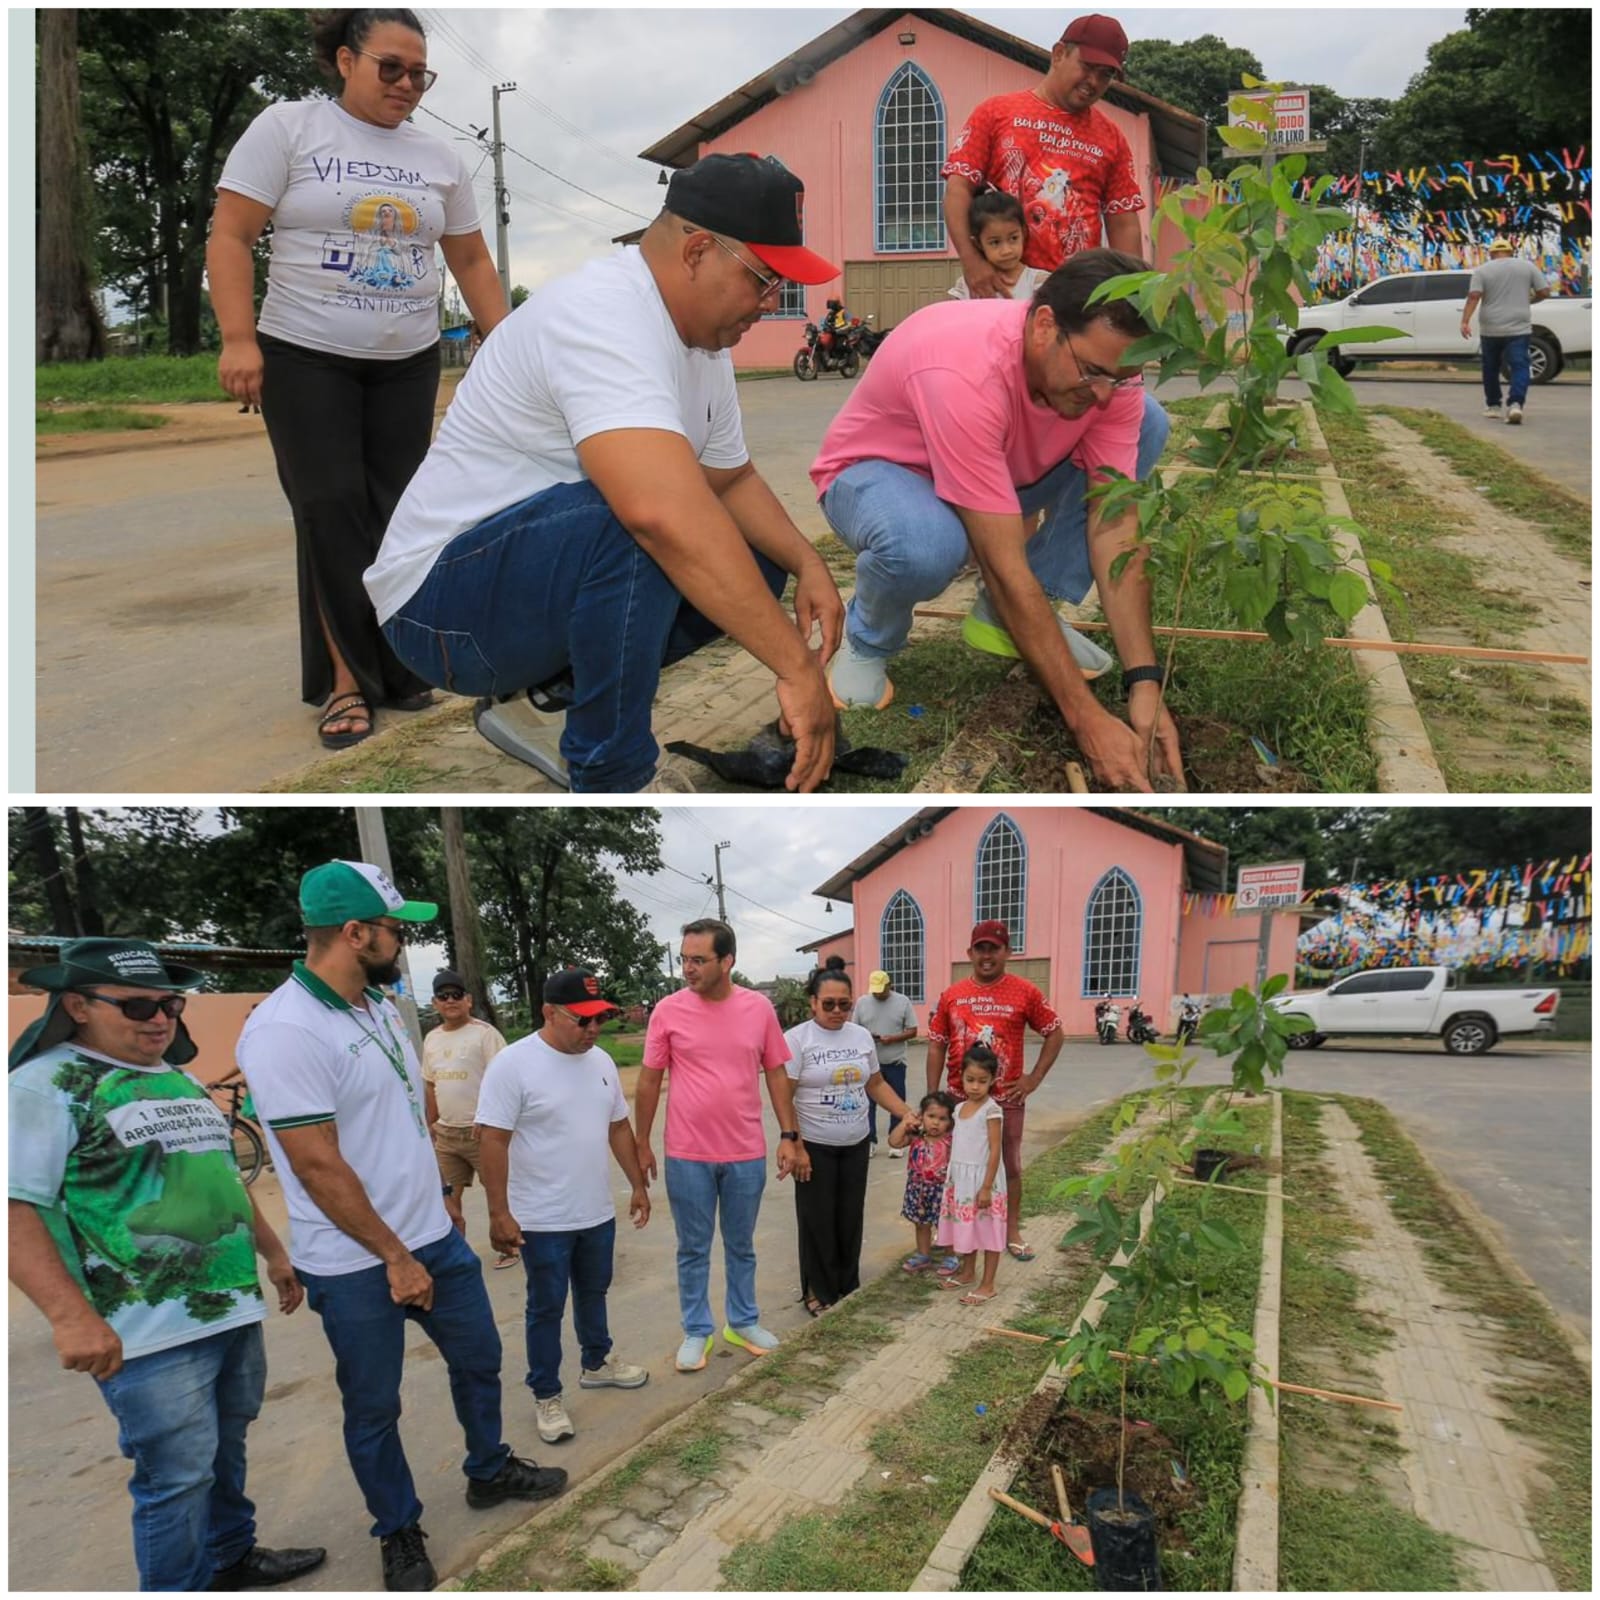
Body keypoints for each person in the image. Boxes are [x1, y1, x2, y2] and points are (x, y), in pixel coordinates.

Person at [363, 152, 848, 793]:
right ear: (698, 251)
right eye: (764, 280)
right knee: (639, 521)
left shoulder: (702, 343)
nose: (772, 301)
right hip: (439, 608)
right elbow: (656, 513)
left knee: (754, 558)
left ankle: (545, 700)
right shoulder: (602, 313)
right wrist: (797, 669)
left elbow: (729, 481)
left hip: (520, 581)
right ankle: (612, 772)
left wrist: (808, 564)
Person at [237, 862, 565, 1593]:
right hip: (354, 1261)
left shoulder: (381, 1004)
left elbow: (403, 1115)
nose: (403, 941)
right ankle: (398, 1529)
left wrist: (444, 1196)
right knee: (374, 1405)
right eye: (393, 930)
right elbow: (318, 1166)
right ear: (355, 933)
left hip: (431, 1238)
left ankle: (488, 1468)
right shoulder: (284, 1032)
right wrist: (392, 1254)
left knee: (479, 1359)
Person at [208, 9, 507, 753]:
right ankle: (347, 680)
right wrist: (238, 338)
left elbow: (470, 261)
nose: (408, 85)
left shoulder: (439, 158)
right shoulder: (289, 129)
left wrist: (510, 342)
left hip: (405, 358)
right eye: (391, 68)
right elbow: (231, 233)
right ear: (345, 60)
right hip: (304, 353)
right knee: (330, 506)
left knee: (398, 513)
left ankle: (400, 667)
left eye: (420, 73)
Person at [8, 938, 324, 1593]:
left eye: (171, 1004)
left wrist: (274, 1255)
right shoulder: (44, 1084)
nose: (160, 1018)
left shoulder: (175, 1078)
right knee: (174, 1479)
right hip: (145, 1332)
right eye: (139, 1004)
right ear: (77, 1005)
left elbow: (219, 1182)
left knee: (223, 1449)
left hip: (228, 1306)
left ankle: (230, 1557)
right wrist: (70, 1318)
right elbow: (17, 1207)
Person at [811, 252, 1181, 793]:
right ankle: (869, 640)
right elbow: (1003, 564)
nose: (1105, 392)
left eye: (1122, 375)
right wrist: (1087, 723)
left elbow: (1115, 527)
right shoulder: (965, 371)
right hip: (880, 473)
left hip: (996, 470)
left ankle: (1016, 610)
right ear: (1045, 325)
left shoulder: (1106, 383)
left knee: (1147, 420)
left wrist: (1144, 682)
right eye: (1094, 371)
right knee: (925, 545)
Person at [476, 968, 652, 1448]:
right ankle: (546, 1394)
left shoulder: (601, 1063)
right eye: (582, 1020)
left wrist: (637, 1185)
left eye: (599, 1019)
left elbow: (618, 1127)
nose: (593, 1030)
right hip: (541, 1218)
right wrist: (498, 1212)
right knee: (546, 1307)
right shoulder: (513, 1065)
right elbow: (491, 1139)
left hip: (594, 1209)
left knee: (594, 1291)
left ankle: (596, 1363)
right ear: (548, 1013)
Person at [634, 918, 809, 1371]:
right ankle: (696, 1330)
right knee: (692, 1247)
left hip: (745, 1150)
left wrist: (789, 1136)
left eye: (698, 959)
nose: (687, 968)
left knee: (741, 1244)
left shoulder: (758, 1010)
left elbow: (775, 1072)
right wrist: (642, 1141)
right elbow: (651, 1079)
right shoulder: (668, 1011)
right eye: (684, 959)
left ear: (727, 960)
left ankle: (743, 1320)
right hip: (687, 1153)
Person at [943, 13, 1143, 301]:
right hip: (1003, 291)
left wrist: (1132, 295)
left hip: (1076, 300)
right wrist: (972, 263)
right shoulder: (997, 113)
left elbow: (1123, 222)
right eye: (1087, 67)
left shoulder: (1111, 137)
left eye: (1106, 75)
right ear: (1059, 54)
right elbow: (958, 188)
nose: (1094, 81)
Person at [926, 921, 1063, 1262]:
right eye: (981, 949)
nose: (987, 956)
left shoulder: (1025, 992)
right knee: (955, 1167)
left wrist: (1033, 1078)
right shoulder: (951, 995)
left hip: (1005, 1101)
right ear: (969, 953)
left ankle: (1010, 1231)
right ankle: (957, 1233)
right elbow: (935, 1046)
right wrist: (934, 1098)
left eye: (994, 949)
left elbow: (1055, 1032)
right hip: (958, 1100)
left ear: (1007, 952)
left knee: (1009, 1166)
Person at [783, 967, 917, 1316]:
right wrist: (794, 1144)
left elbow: (875, 1084)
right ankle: (818, 1289)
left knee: (849, 1217)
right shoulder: (797, 1039)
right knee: (817, 1219)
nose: (837, 1011)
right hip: (814, 1145)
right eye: (829, 1004)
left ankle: (846, 1284)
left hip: (856, 1143)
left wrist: (905, 1113)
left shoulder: (859, 1037)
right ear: (812, 1002)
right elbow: (785, 1096)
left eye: (844, 1004)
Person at [421, 967, 515, 1268]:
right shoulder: (431, 1040)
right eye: (443, 996)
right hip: (446, 1135)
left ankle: (508, 1246)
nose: (450, 1001)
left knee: (498, 1195)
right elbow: (430, 1084)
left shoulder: (485, 1035)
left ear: (468, 1000)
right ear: (435, 1003)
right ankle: (454, 1255)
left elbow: (503, 1081)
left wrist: (489, 1120)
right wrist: (429, 1124)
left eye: (456, 995)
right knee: (447, 1201)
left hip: (482, 1133)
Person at [936, 1047, 1008, 1304]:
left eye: (982, 1081)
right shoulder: (958, 1109)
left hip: (984, 1180)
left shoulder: (992, 1110)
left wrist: (987, 1186)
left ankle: (988, 1284)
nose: (975, 1086)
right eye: (970, 1080)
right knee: (967, 1227)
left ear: (993, 1081)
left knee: (989, 1229)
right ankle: (967, 1272)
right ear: (961, 1076)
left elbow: (996, 1148)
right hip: (962, 1180)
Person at [1461, 238, 1551, 425]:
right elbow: (1544, 292)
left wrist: (1465, 321)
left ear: (1492, 253)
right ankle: (1516, 403)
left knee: (1491, 367)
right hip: (1519, 326)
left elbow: (1474, 296)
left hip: (1491, 327)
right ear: (1511, 252)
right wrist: (1528, 301)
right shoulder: (1527, 267)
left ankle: (1493, 406)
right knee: (1519, 365)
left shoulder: (1483, 270)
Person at [851, 968, 919, 1156]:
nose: (879, 993)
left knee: (897, 1100)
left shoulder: (902, 1002)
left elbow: (912, 1030)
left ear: (890, 985)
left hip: (895, 1061)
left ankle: (896, 1141)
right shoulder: (862, 1003)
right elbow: (854, 1029)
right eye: (876, 990)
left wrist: (894, 1038)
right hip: (869, 1063)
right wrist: (867, 1037)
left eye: (882, 989)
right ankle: (870, 1140)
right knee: (868, 1103)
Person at [889, 1091, 957, 1274]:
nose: (935, 1122)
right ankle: (923, 1254)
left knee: (945, 1223)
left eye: (942, 1118)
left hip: (942, 1190)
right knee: (921, 1223)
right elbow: (894, 1142)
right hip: (918, 1189)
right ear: (922, 1116)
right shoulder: (916, 1137)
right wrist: (905, 1123)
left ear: (950, 1122)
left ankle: (951, 1255)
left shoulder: (951, 1141)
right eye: (931, 1116)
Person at [948, 190, 1051, 302]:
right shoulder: (969, 285)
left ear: (1024, 233)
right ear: (978, 243)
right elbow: (955, 317)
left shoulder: (1039, 283)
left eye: (1013, 238)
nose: (1006, 251)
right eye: (995, 242)